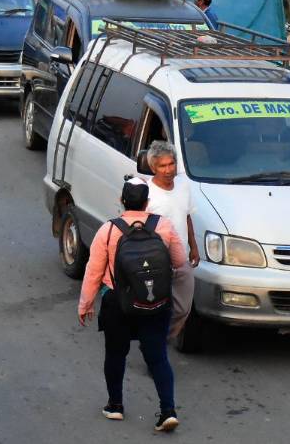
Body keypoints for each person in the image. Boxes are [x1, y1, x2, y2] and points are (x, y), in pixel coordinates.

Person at [78, 178, 187, 433]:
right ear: (147, 202)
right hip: (155, 302)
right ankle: (168, 411)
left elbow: (94, 271)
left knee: (116, 354)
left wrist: (85, 304)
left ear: (122, 201)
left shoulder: (108, 230)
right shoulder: (164, 226)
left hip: (117, 303)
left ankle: (115, 405)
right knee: (158, 357)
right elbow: (180, 261)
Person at [144, 141, 199, 342]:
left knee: (183, 308)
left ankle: (161, 338)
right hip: (156, 262)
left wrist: (193, 247)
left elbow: (187, 216)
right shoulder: (147, 192)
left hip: (181, 259)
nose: (168, 170)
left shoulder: (184, 185)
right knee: (156, 307)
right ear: (153, 168)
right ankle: (154, 343)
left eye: (171, 164)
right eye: (162, 166)